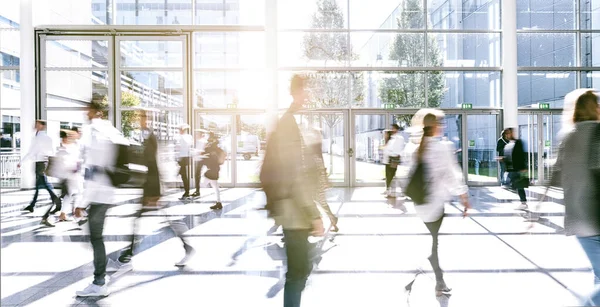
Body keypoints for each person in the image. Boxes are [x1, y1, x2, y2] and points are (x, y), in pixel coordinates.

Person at [260, 74, 324, 307]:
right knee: (298, 272)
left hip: (296, 208)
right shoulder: (289, 123)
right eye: (307, 90)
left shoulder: (294, 121)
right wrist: (313, 214)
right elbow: (295, 174)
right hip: (294, 210)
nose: (310, 95)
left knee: (301, 269)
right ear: (297, 92)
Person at [116, 110, 195, 272]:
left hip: (153, 186)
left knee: (162, 219)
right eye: (139, 118)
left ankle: (187, 247)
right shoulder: (147, 135)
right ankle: (129, 252)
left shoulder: (150, 137)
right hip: (151, 185)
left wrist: (155, 191)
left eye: (142, 117)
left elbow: (153, 164)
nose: (140, 120)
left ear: (147, 119)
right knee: (155, 219)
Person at [404, 110, 471, 296]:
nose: (443, 127)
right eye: (441, 124)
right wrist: (464, 197)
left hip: (419, 204)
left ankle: (437, 276)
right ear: (435, 127)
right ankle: (438, 280)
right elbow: (452, 175)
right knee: (434, 243)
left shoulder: (415, 148)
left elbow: (409, 173)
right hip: (435, 205)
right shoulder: (442, 147)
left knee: (433, 241)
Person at [554, 89, 600, 306]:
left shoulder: (567, 135)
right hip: (595, 217)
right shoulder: (597, 132)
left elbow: (555, 176)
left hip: (576, 218)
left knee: (599, 275)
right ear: (594, 108)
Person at [75, 101, 125, 297]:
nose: (85, 113)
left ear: (96, 112)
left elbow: (94, 171)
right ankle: (102, 274)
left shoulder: (94, 132)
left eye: (87, 110)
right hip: (107, 191)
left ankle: (99, 282)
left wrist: (81, 204)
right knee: (96, 237)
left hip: (98, 193)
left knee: (96, 237)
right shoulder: (110, 130)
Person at [19, 120, 61, 227]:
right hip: (43, 162)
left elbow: (32, 152)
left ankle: (56, 200)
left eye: (37, 124)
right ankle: (32, 205)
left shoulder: (39, 138)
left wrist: (21, 162)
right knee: (38, 185)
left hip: (40, 163)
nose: (35, 125)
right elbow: (51, 151)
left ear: (42, 126)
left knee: (44, 183)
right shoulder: (45, 137)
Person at [304, 126, 339, 232]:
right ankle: (332, 220)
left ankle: (320, 223)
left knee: (317, 202)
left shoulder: (311, 152)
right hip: (317, 181)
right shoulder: (316, 151)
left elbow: (317, 168)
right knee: (321, 202)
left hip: (315, 182)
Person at [503, 128, 529, 210]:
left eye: (509, 133)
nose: (507, 135)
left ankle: (523, 202)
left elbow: (521, 155)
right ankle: (523, 201)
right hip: (512, 169)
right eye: (506, 134)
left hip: (517, 168)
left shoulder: (518, 143)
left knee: (519, 185)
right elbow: (509, 156)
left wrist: (523, 167)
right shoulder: (508, 144)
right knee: (515, 185)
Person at [383, 124, 405, 198]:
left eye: (393, 128)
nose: (392, 130)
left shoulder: (399, 138)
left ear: (397, 129)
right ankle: (388, 191)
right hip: (389, 159)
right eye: (392, 128)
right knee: (388, 175)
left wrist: (392, 154)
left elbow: (397, 149)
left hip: (394, 159)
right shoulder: (391, 138)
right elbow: (387, 149)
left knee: (391, 175)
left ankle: (391, 192)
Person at [203, 132, 224, 210]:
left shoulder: (212, 147)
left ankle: (218, 202)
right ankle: (218, 202)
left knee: (203, 184)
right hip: (214, 169)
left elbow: (208, 153)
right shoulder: (216, 148)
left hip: (212, 169)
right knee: (215, 187)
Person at [176, 124, 193, 200]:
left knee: (184, 176)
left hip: (183, 158)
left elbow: (180, 148)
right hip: (186, 158)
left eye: (180, 129)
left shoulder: (183, 137)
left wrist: (178, 158)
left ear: (182, 130)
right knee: (184, 176)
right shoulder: (189, 137)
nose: (179, 131)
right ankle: (186, 191)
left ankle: (187, 192)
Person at [192, 129, 208, 198]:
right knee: (197, 175)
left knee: (197, 175)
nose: (196, 135)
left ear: (201, 134)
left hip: (201, 159)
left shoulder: (203, 141)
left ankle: (198, 191)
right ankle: (197, 190)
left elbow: (203, 151)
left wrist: (196, 151)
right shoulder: (199, 141)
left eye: (197, 134)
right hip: (198, 159)